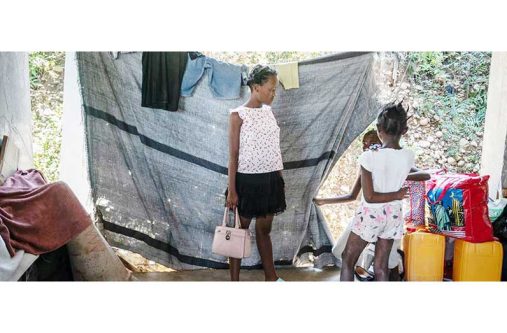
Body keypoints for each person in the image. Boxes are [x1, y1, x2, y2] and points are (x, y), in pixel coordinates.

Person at [314, 129, 429, 281]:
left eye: (372, 143)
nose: (367, 147)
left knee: (387, 263)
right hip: (369, 216)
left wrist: (397, 173)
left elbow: (425, 174)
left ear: (382, 142)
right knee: (344, 252)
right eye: (364, 144)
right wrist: (324, 201)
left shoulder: (391, 161)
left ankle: (396, 273)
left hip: (381, 215)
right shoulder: (368, 163)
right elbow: (353, 196)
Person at [339, 102, 418, 281]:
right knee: (381, 267)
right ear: (404, 130)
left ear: (378, 129)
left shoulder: (368, 157)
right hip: (393, 215)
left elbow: (370, 197)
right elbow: (411, 172)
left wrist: (396, 194)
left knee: (347, 259)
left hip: (371, 215)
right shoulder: (408, 156)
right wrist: (397, 194)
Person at [225, 65, 286, 282]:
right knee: (240, 233)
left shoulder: (269, 113)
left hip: (270, 180)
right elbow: (233, 155)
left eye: (275, 89)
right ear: (256, 87)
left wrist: (279, 178)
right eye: (270, 89)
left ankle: (272, 278)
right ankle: (235, 281)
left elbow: (273, 148)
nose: (273, 93)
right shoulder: (237, 116)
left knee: (264, 231)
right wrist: (232, 190)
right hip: (247, 182)